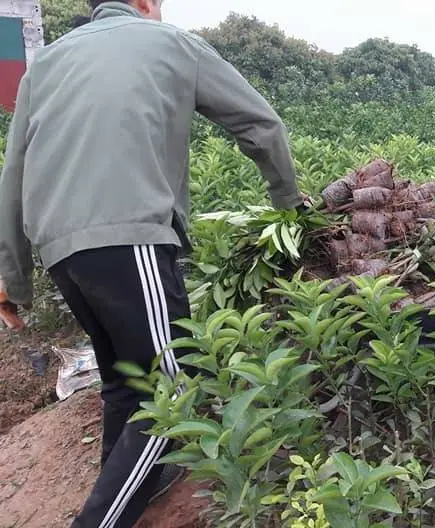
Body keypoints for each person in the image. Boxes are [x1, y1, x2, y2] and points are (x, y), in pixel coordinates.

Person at [0, 1, 311, 527]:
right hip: (131, 238)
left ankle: (143, 487)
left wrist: (12, 278)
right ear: (146, 2)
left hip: (60, 251)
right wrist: (290, 205)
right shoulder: (173, 43)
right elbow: (261, 124)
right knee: (174, 389)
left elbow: (14, 171)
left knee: (127, 383)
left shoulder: (46, 63)